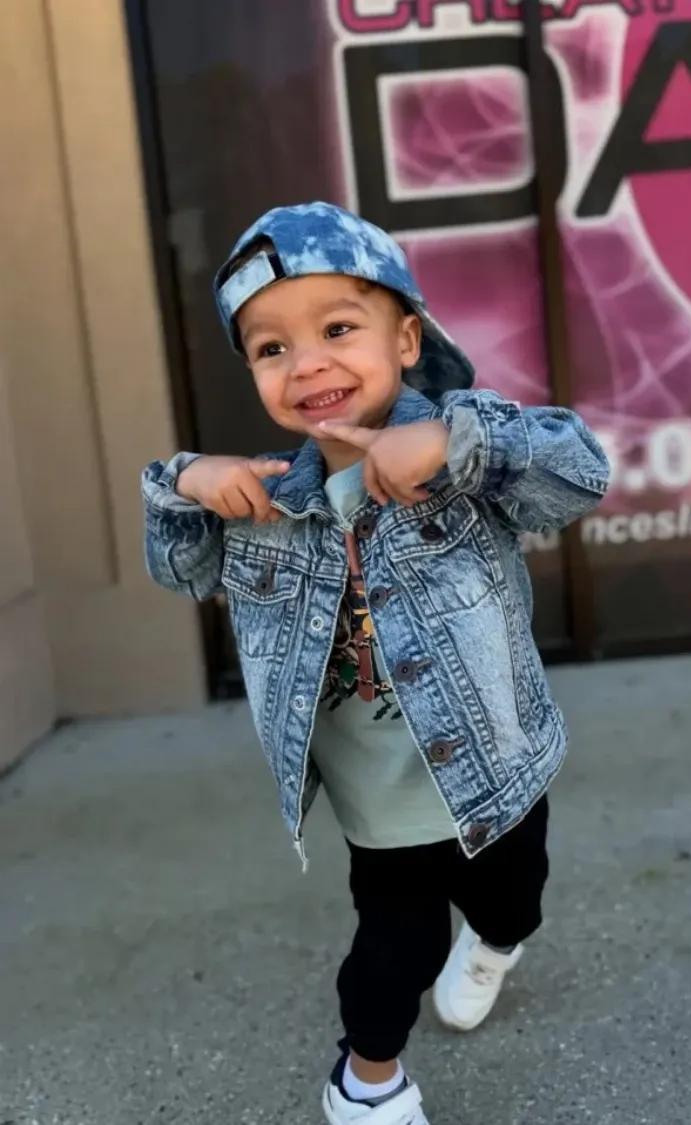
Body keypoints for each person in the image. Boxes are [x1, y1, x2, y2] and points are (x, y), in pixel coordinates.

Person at [141, 201, 610, 1124]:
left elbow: (580, 470)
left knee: (513, 903)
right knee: (393, 951)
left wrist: (461, 444)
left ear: (405, 340)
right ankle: (367, 1083)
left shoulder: (460, 458)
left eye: (338, 329)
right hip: (380, 804)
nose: (306, 362)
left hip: (495, 772)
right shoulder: (263, 503)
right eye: (271, 348)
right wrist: (183, 481)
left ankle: (497, 943)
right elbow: (180, 568)